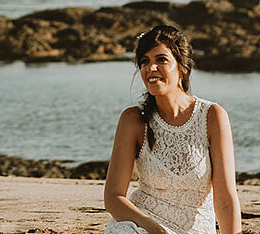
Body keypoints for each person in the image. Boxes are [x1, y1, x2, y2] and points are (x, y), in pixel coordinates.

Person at [103, 24, 242, 234]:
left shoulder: (212, 116)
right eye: (144, 62)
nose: (151, 68)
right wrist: (153, 228)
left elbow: (225, 198)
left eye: (161, 60)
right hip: (141, 226)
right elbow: (113, 198)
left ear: (182, 66)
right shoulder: (133, 120)